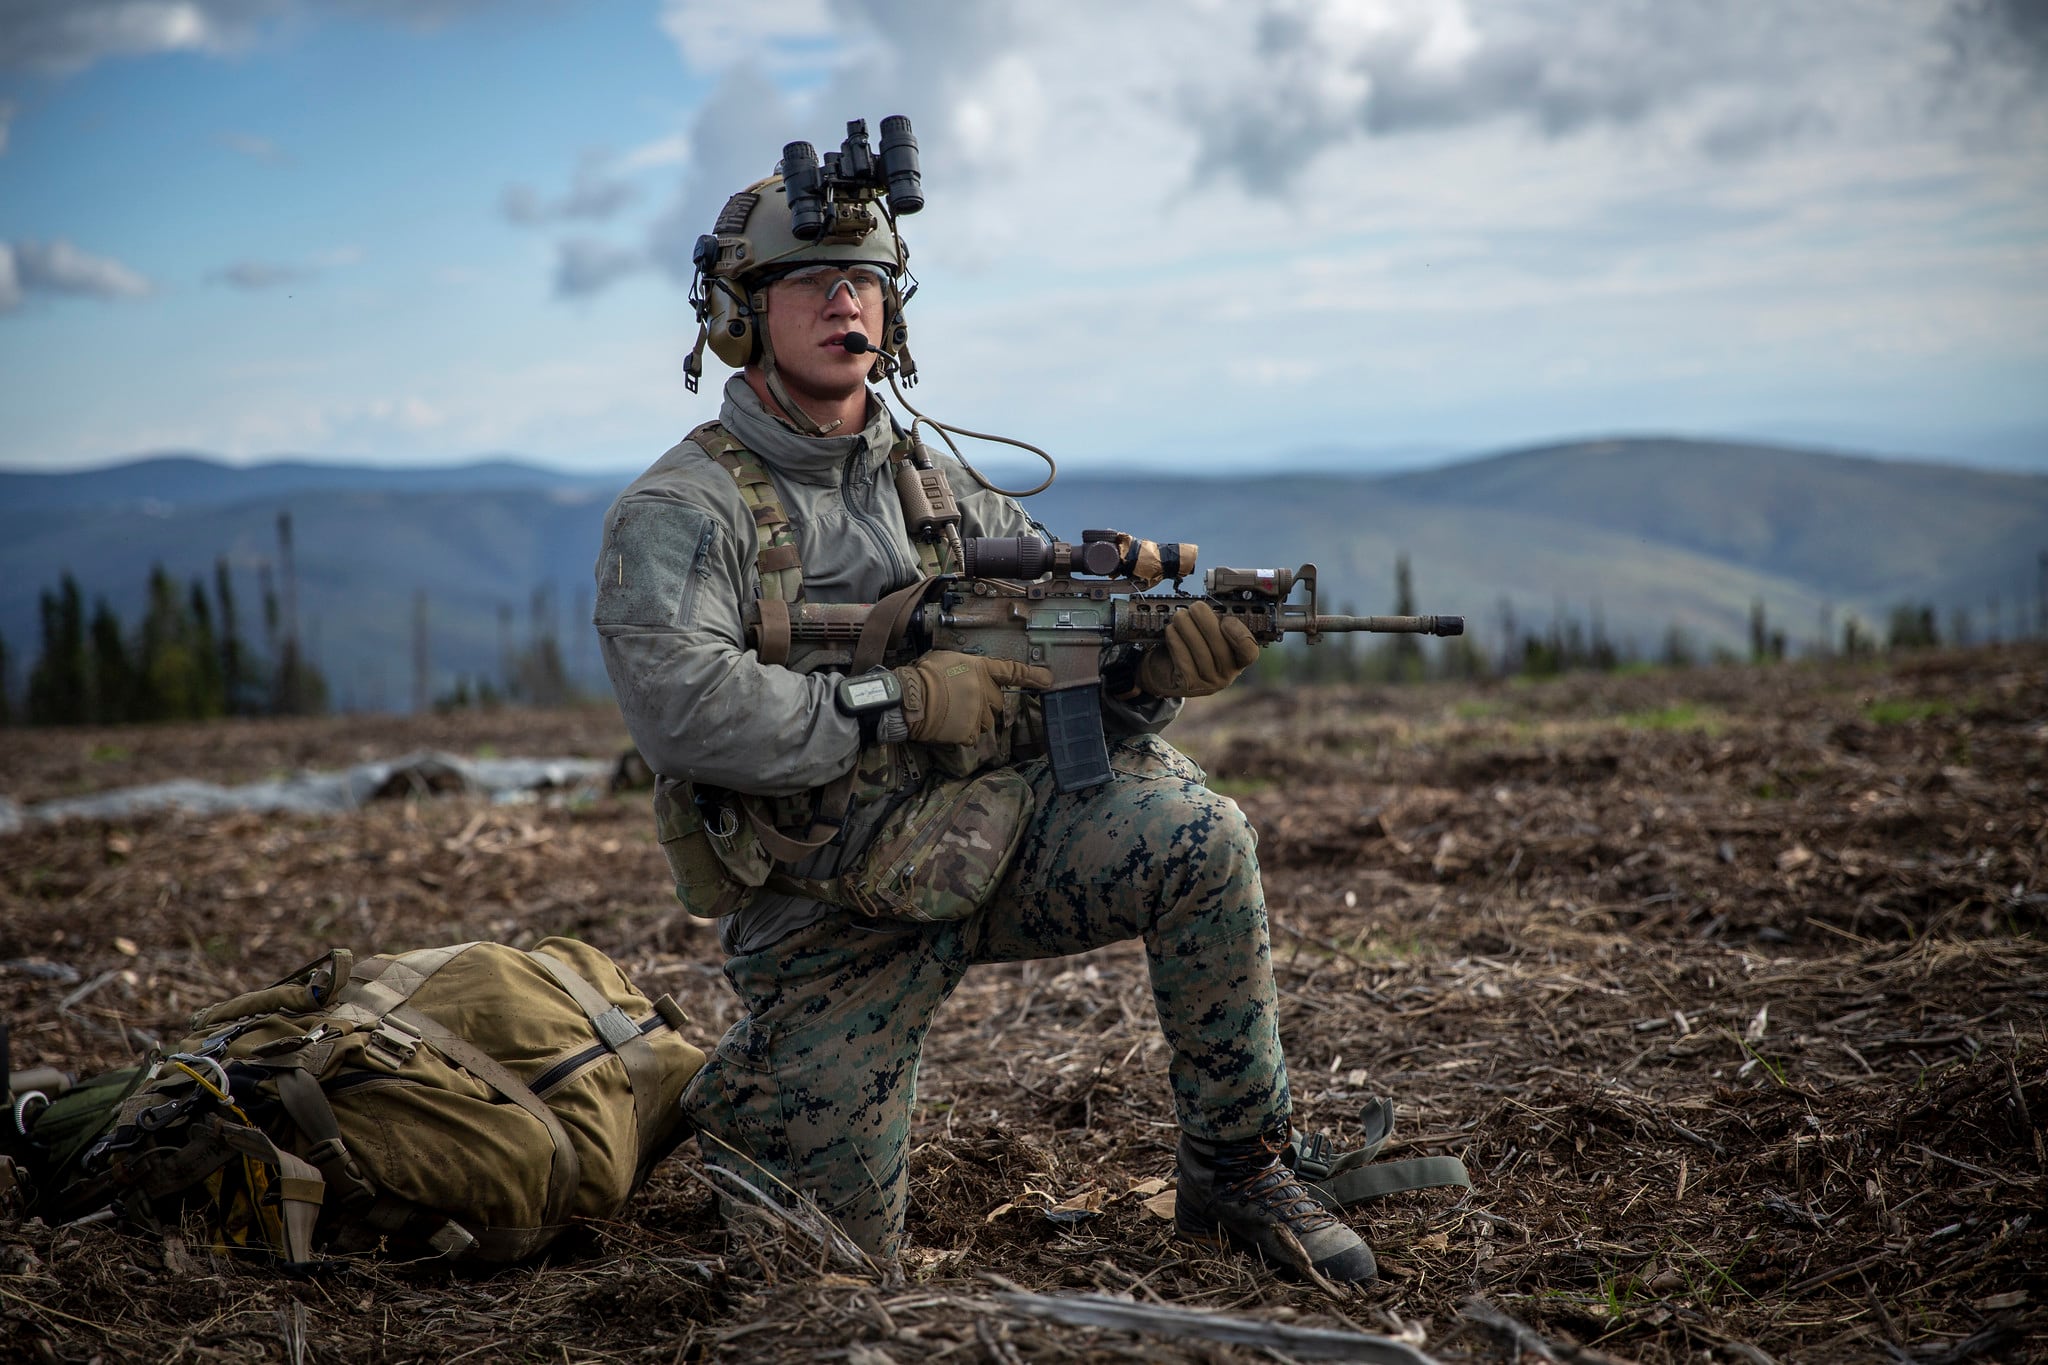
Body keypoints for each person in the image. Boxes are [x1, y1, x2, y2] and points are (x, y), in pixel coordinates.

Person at [592, 139, 1377, 1283]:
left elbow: (1055, 657)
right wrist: (900, 700)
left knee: (1203, 841)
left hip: (991, 835)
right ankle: (757, 1093)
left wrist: (1148, 676)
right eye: (809, 283)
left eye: (863, 282)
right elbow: (685, 713)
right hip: (826, 904)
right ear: (735, 313)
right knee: (825, 1280)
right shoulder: (679, 510)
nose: (842, 304)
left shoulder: (941, 483)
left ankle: (1239, 1166)